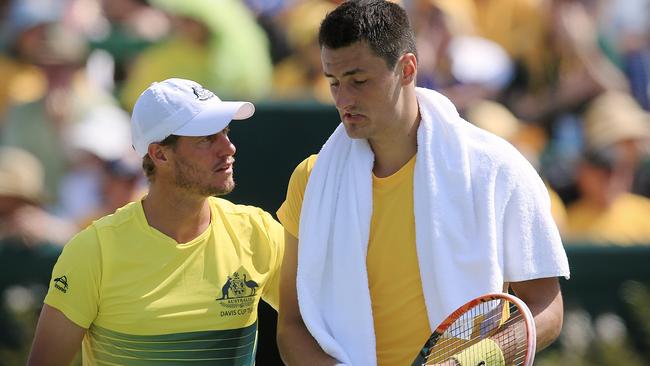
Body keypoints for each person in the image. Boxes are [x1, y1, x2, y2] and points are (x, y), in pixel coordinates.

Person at [275, 1, 570, 365]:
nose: (344, 100)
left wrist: (473, 360)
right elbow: (292, 325)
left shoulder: (497, 167)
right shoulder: (311, 180)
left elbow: (546, 308)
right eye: (334, 83)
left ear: (407, 69)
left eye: (359, 81)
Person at [27, 78, 284, 366]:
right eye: (206, 138)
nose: (229, 148)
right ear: (159, 154)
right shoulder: (93, 250)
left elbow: (316, 323)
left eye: (225, 132)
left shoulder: (258, 232)